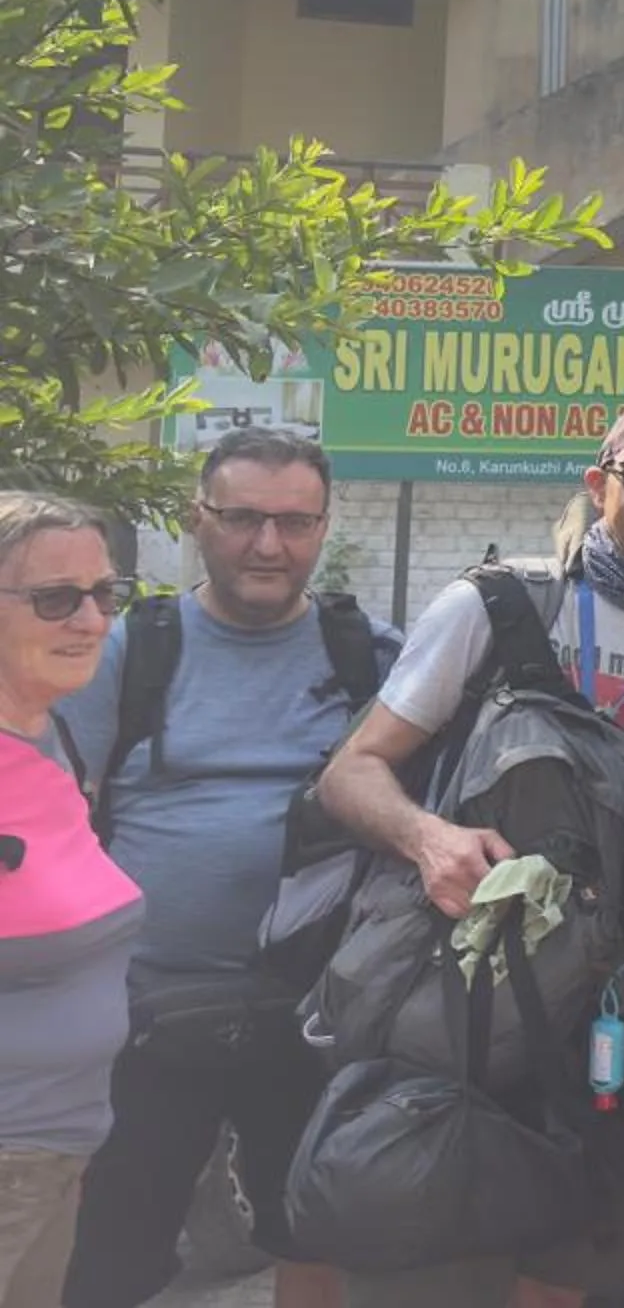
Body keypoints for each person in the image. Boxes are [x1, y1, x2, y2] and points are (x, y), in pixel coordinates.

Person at [316, 397, 624, 1308]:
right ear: (599, 483)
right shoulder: (499, 602)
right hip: (465, 996)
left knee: (572, 1263)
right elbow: (350, 773)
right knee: (413, 1256)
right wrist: (428, 837)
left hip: (617, 1011)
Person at [54, 431, 401, 1308]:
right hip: (144, 1012)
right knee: (112, 1250)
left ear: (323, 527)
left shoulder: (372, 655)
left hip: (317, 1009)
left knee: (315, 1230)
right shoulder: (130, 648)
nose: (267, 544)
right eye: (242, 517)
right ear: (195, 520)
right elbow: (57, 812)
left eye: (294, 521)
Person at [0, 494, 140, 1308]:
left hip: (53, 1156)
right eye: (56, 598)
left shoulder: (50, 734)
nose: (90, 619)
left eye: (104, 594)